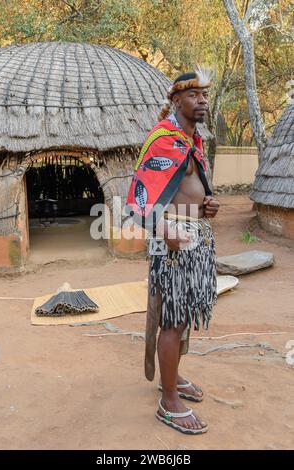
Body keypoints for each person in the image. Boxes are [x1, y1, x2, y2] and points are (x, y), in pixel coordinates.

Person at [125, 67, 220, 435]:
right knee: (173, 320)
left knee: (181, 319)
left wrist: (208, 205)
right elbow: (138, 200)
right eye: (194, 94)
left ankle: (173, 377)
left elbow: (190, 189)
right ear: (176, 100)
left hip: (196, 239)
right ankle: (169, 401)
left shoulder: (192, 142)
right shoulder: (164, 139)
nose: (202, 100)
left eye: (205, 95)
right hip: (174, 244)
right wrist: (166, 230)